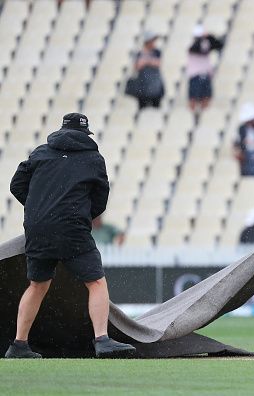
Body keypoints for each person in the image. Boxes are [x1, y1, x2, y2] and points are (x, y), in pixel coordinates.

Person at [5, 113, 136, 359]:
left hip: (38, 229)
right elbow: (100, 200)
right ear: (86, 134)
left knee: (37, 284)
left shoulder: (40, 153)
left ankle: (19, 345)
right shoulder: (93, 158)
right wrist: (79, 215)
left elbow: (16, 185)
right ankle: (102, 340)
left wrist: (40, 210)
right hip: (72, 228)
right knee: (96, 282)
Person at [187, 24, 225, 112]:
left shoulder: (206, 43)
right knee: (193, 98)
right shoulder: (193, 46)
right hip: (195, 75)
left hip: (206, 74)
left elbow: (219, 45)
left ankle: (203, 115)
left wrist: (210, 37)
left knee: (206, 97)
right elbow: (197, 48)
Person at [134, 31, 165, 110]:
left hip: (155, 87)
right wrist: (149, 61)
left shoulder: (157, 52)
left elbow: (158, 63)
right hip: (143, 86)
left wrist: (146, 61)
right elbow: (137, 66)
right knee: (142, 109)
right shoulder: (139, 53)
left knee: (156, 109)